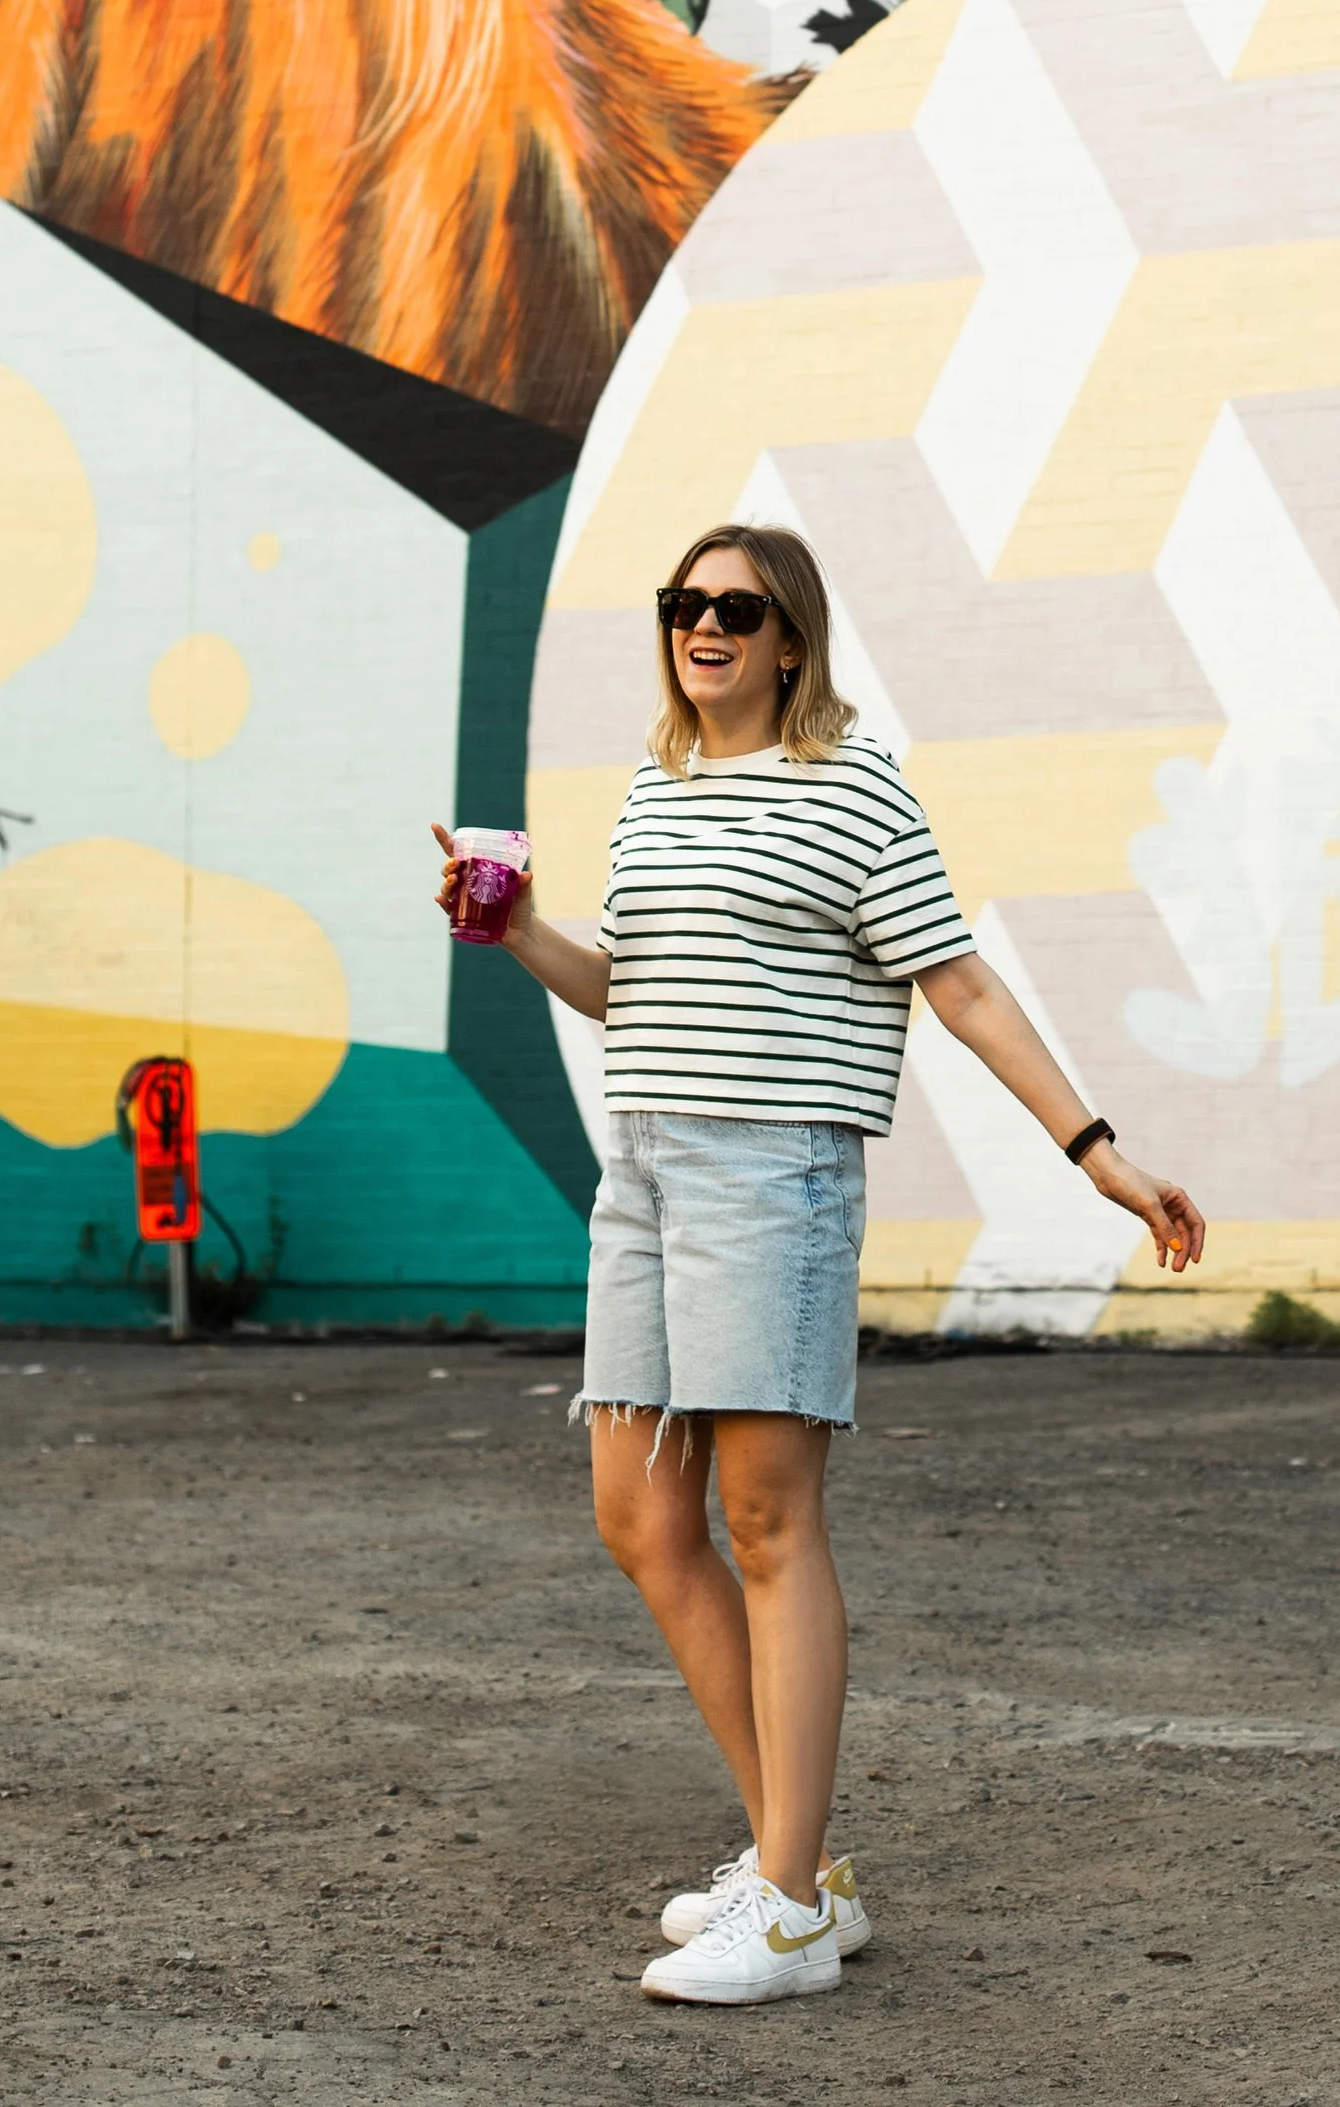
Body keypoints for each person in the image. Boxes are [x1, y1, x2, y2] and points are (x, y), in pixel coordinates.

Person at [433, 516, 1204, 2007]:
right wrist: (524, 927)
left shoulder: (851, 787)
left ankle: (786, 1903)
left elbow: (959, 980)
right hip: (644, 1168)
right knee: (640, 1520)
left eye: (739, 606)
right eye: (684, 603)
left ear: (793, 638)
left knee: (766, 1521)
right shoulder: (659, 790)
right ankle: (801, 1863)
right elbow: (633, 991)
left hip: (772, 1170)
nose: (705, 624)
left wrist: (1097, 1150)